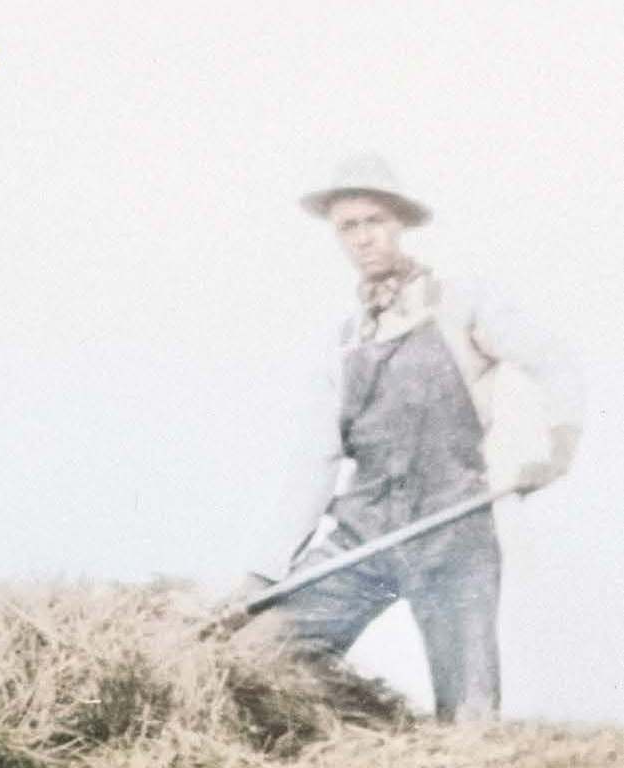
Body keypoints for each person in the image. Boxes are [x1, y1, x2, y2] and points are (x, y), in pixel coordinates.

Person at [241, 155, 585, 722]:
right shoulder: (346, 342)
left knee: (468, 715)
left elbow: (557, 365)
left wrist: (557, 448)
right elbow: (315, 462)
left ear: (400, 222)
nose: (363, 238)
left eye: (374, 221)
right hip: (363, 533)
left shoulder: (460, 304)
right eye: (348, 227)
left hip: (452, 531)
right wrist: (264, 571)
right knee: (263, 656)